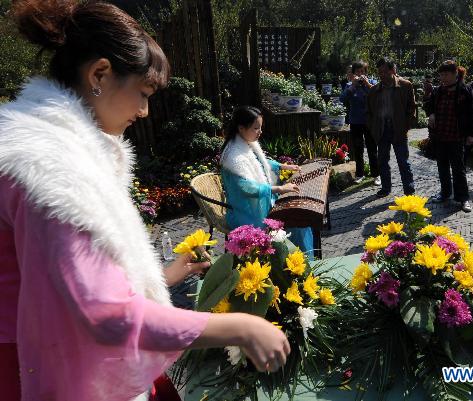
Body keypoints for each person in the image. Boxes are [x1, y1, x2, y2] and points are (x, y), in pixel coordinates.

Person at [0, 2, 290, 401]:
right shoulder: (48, 166)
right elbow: (105, 313)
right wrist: (240, 327)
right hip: (42, 369)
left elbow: (69, 277)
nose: (144, 110)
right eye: (143, 93)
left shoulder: (53, 147)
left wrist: (162, 277)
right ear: (99, 73)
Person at [220, 106, 314, 257]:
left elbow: (259, 162)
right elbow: (247, 188)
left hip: (254, 208)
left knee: (299, 219)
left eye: (261, 127)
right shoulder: (233, 157)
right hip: (246, 214)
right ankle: (301, 264)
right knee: (298, 222)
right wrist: (279, 189)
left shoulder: (242, 144)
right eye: (256, 128)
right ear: (241, 128)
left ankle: (303, 261)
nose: (260, 132)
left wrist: (282, 165)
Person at [424, 60, 473, 212]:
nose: (442, 78)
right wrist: (431, 114)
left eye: (446, 74)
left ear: (455, 74)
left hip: (456, 136)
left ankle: (463, 198)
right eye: (441, 75)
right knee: (442, 167)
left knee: (458, 169)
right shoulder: (438, 90)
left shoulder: (465, 90)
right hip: (440, 136)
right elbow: (428, 104)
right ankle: (445, 193)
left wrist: (472, 134)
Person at [366, 57, 416, 198]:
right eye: (379, 73)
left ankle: (409, 190)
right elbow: (368, 112)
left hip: (399, 129)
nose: (382, 75)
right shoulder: (374, 90)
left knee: (403, 162)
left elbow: (412, 108)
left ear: (393, 70)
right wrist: (372, 127)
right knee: (382, 161)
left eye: (384, 72)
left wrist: (406, 126)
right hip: (381, 130)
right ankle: (386, 188)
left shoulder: (405, 86)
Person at [340, 61, 380, 185]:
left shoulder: (372, 83)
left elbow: (378, 94)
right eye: (357, 71)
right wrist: (353, 85)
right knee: (358, 149)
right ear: (354, 73)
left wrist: (367, 84)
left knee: (372, 149)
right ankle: (360, 174)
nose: (360, 74)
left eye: (362, 71)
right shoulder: (349, 85)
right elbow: (343, 98)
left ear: (366, 72)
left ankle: (376, 175)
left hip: (369, 121)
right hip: (355, 121)